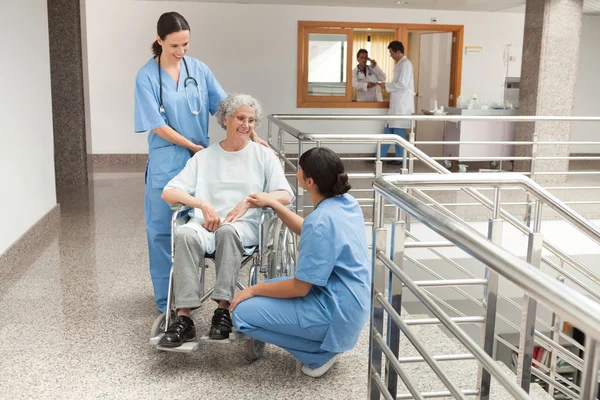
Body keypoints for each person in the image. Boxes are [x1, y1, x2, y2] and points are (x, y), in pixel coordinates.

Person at [134, 12, 267, 312]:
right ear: (159, 41)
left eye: (186, 45)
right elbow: (156, 124)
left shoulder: (199, 70)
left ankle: (196, 293)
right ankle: (167, 301)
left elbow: (228, 109)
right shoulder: (146, 76)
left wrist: (253, 135)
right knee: (161, 231)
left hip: (200, 158)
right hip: (167, 158)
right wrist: (191, 144)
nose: (181, 52)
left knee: (197, 225)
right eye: (175, 46)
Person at [157, 94, 294, 346]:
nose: (246, 125)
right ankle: (184, 317)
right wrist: (201, 204)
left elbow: (285, 194)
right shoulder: (204, 157)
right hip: (204, 224)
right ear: (225, 120)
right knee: (185, 233)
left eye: (251, 120)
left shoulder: (264, 156)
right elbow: (169, 191)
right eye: (240, 118)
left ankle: (222, 311)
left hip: (244, 227)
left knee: (227, 232)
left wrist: (251, 201)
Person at [230, 147, 372, 378]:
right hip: (352, 303)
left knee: (242, 313)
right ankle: (325, 344)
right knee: (273, 285)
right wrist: (275, 204)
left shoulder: (320, 221)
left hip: (335, 313)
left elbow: (299, 287)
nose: (295, 171)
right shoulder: (347, 203)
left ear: (309, 181)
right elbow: (308, 228)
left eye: (299, 168)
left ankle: (319, 354)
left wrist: (252, 290)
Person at [380, 40, 415, 166]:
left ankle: (401, 158)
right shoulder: (400, 64)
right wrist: (388, 86)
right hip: (396, 104)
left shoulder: (406, 64)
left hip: (402, 105)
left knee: (398, 131)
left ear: (398, 52)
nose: (390, 55)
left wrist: (387, 85)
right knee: (388, 130)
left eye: (391, 53)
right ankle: (380, 156)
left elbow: (402, 84)